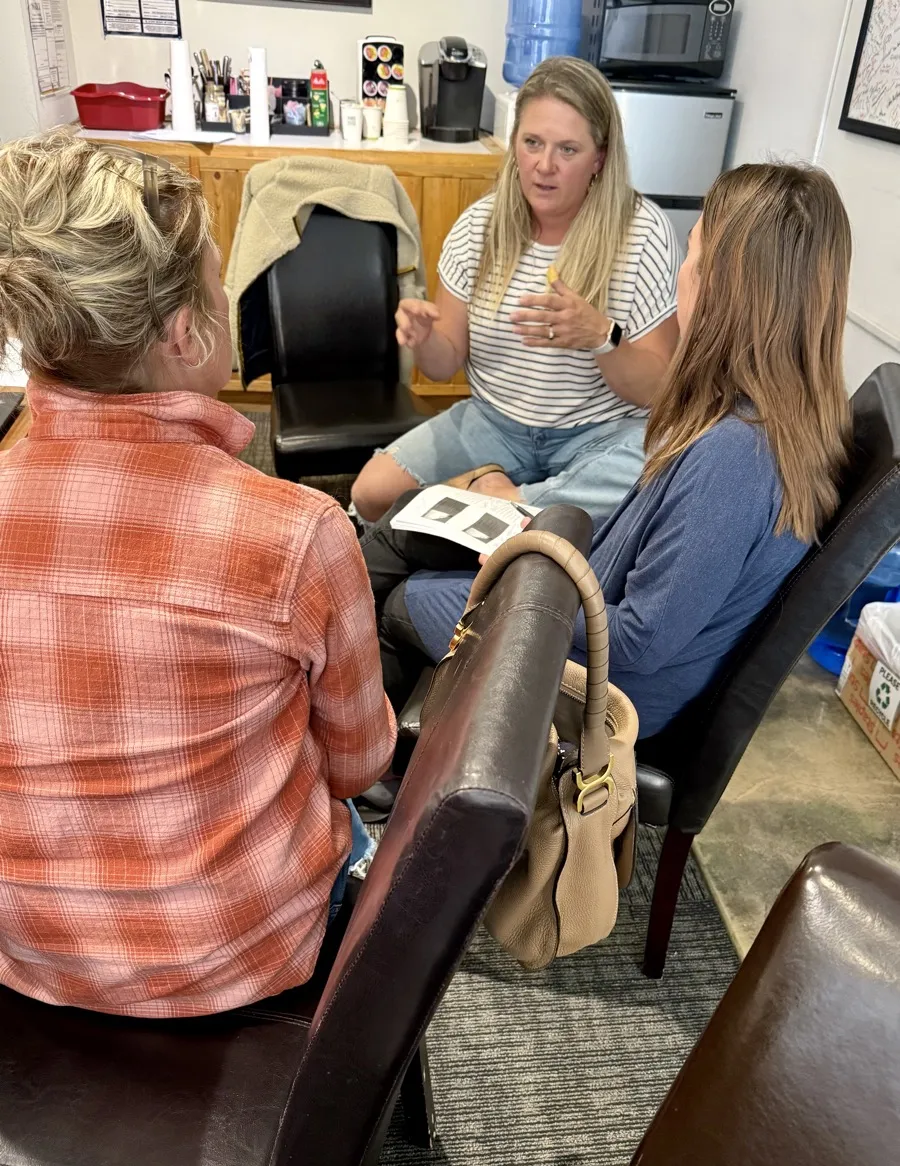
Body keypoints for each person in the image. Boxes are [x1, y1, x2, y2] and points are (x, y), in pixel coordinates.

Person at [0, 132, 395, 1018]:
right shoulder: (297, 532)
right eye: (223, 283)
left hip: (29, 960)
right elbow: (359, 762)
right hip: (238, 965)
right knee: (355, 829)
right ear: (185, 333)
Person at [362, 162, 853, 737]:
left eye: (692, 255)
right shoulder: (763, 419)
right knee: (408, 522)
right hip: (588, 605)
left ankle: (368, 747)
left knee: (405, 599)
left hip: (603, 687)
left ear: (724, 286)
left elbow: (638, 642)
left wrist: (522, 577)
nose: (681, 272)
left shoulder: (736, 458)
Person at [350, 56, 681, 525]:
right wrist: (423, 340)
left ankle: (505, 503)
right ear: (514, 145)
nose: (545, 166)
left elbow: (658, 390)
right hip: (494, 424)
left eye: (568, 149)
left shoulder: (643, 232)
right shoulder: (477, 227)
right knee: (370, 494)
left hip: (600, 434)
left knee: (663, 464)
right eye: (532, 143)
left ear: (599, 158)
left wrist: (601, 337)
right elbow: (443, 364)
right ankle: (535, 510)